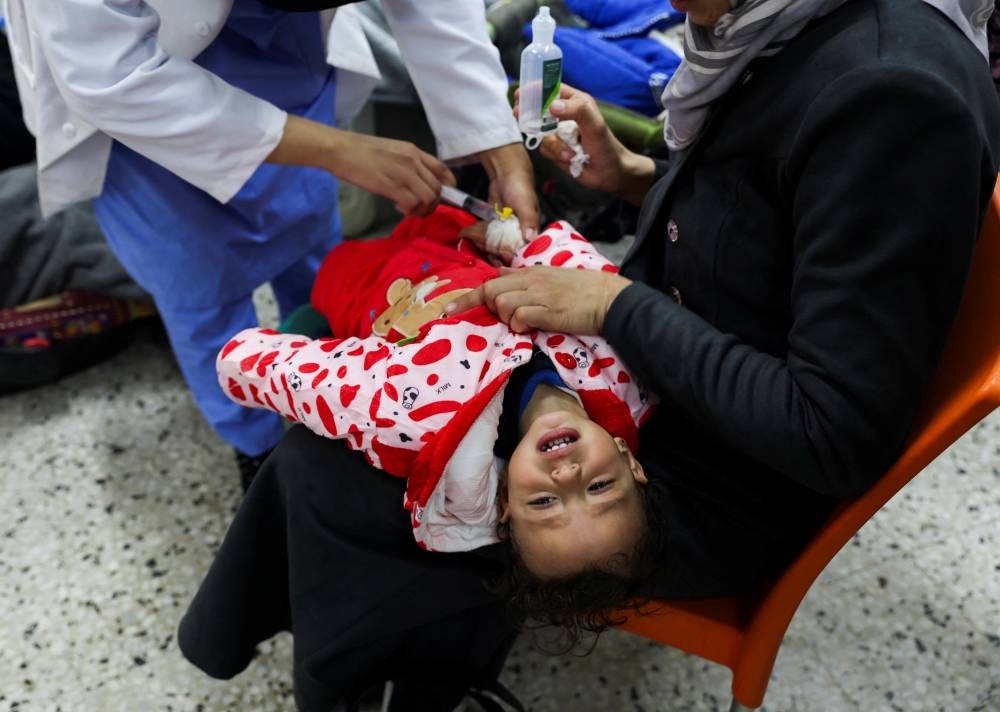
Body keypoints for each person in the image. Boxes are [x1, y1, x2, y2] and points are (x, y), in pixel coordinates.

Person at [180, 0, 999, 708]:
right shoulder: (794, 32)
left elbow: (832, 432)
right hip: (685, 371)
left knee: (326, 469)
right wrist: (639, 177)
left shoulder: (893, 99)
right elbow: (784, 220)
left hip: (731, 466)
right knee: (391, 354)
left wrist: (613, 307)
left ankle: (391, 673)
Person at [3, 0, 538, 485]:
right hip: (147, 121)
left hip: (288, 63)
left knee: (321, 261)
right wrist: (337, 150)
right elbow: (111, 74)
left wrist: (494, 138)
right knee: (202, 296)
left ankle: (333, 385)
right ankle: (255, 444)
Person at [214, 205, 654, 575]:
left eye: (543, 501)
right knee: (429, 210)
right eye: (598, 487)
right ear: (629, 461)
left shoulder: (425, 424)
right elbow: (592, 279)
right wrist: (520, 242)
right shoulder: (630, 369)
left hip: (369, 287)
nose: (567, 477)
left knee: (328, 268)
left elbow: (334, 387)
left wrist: (243, 360)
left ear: (504, 501)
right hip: (459, 242)